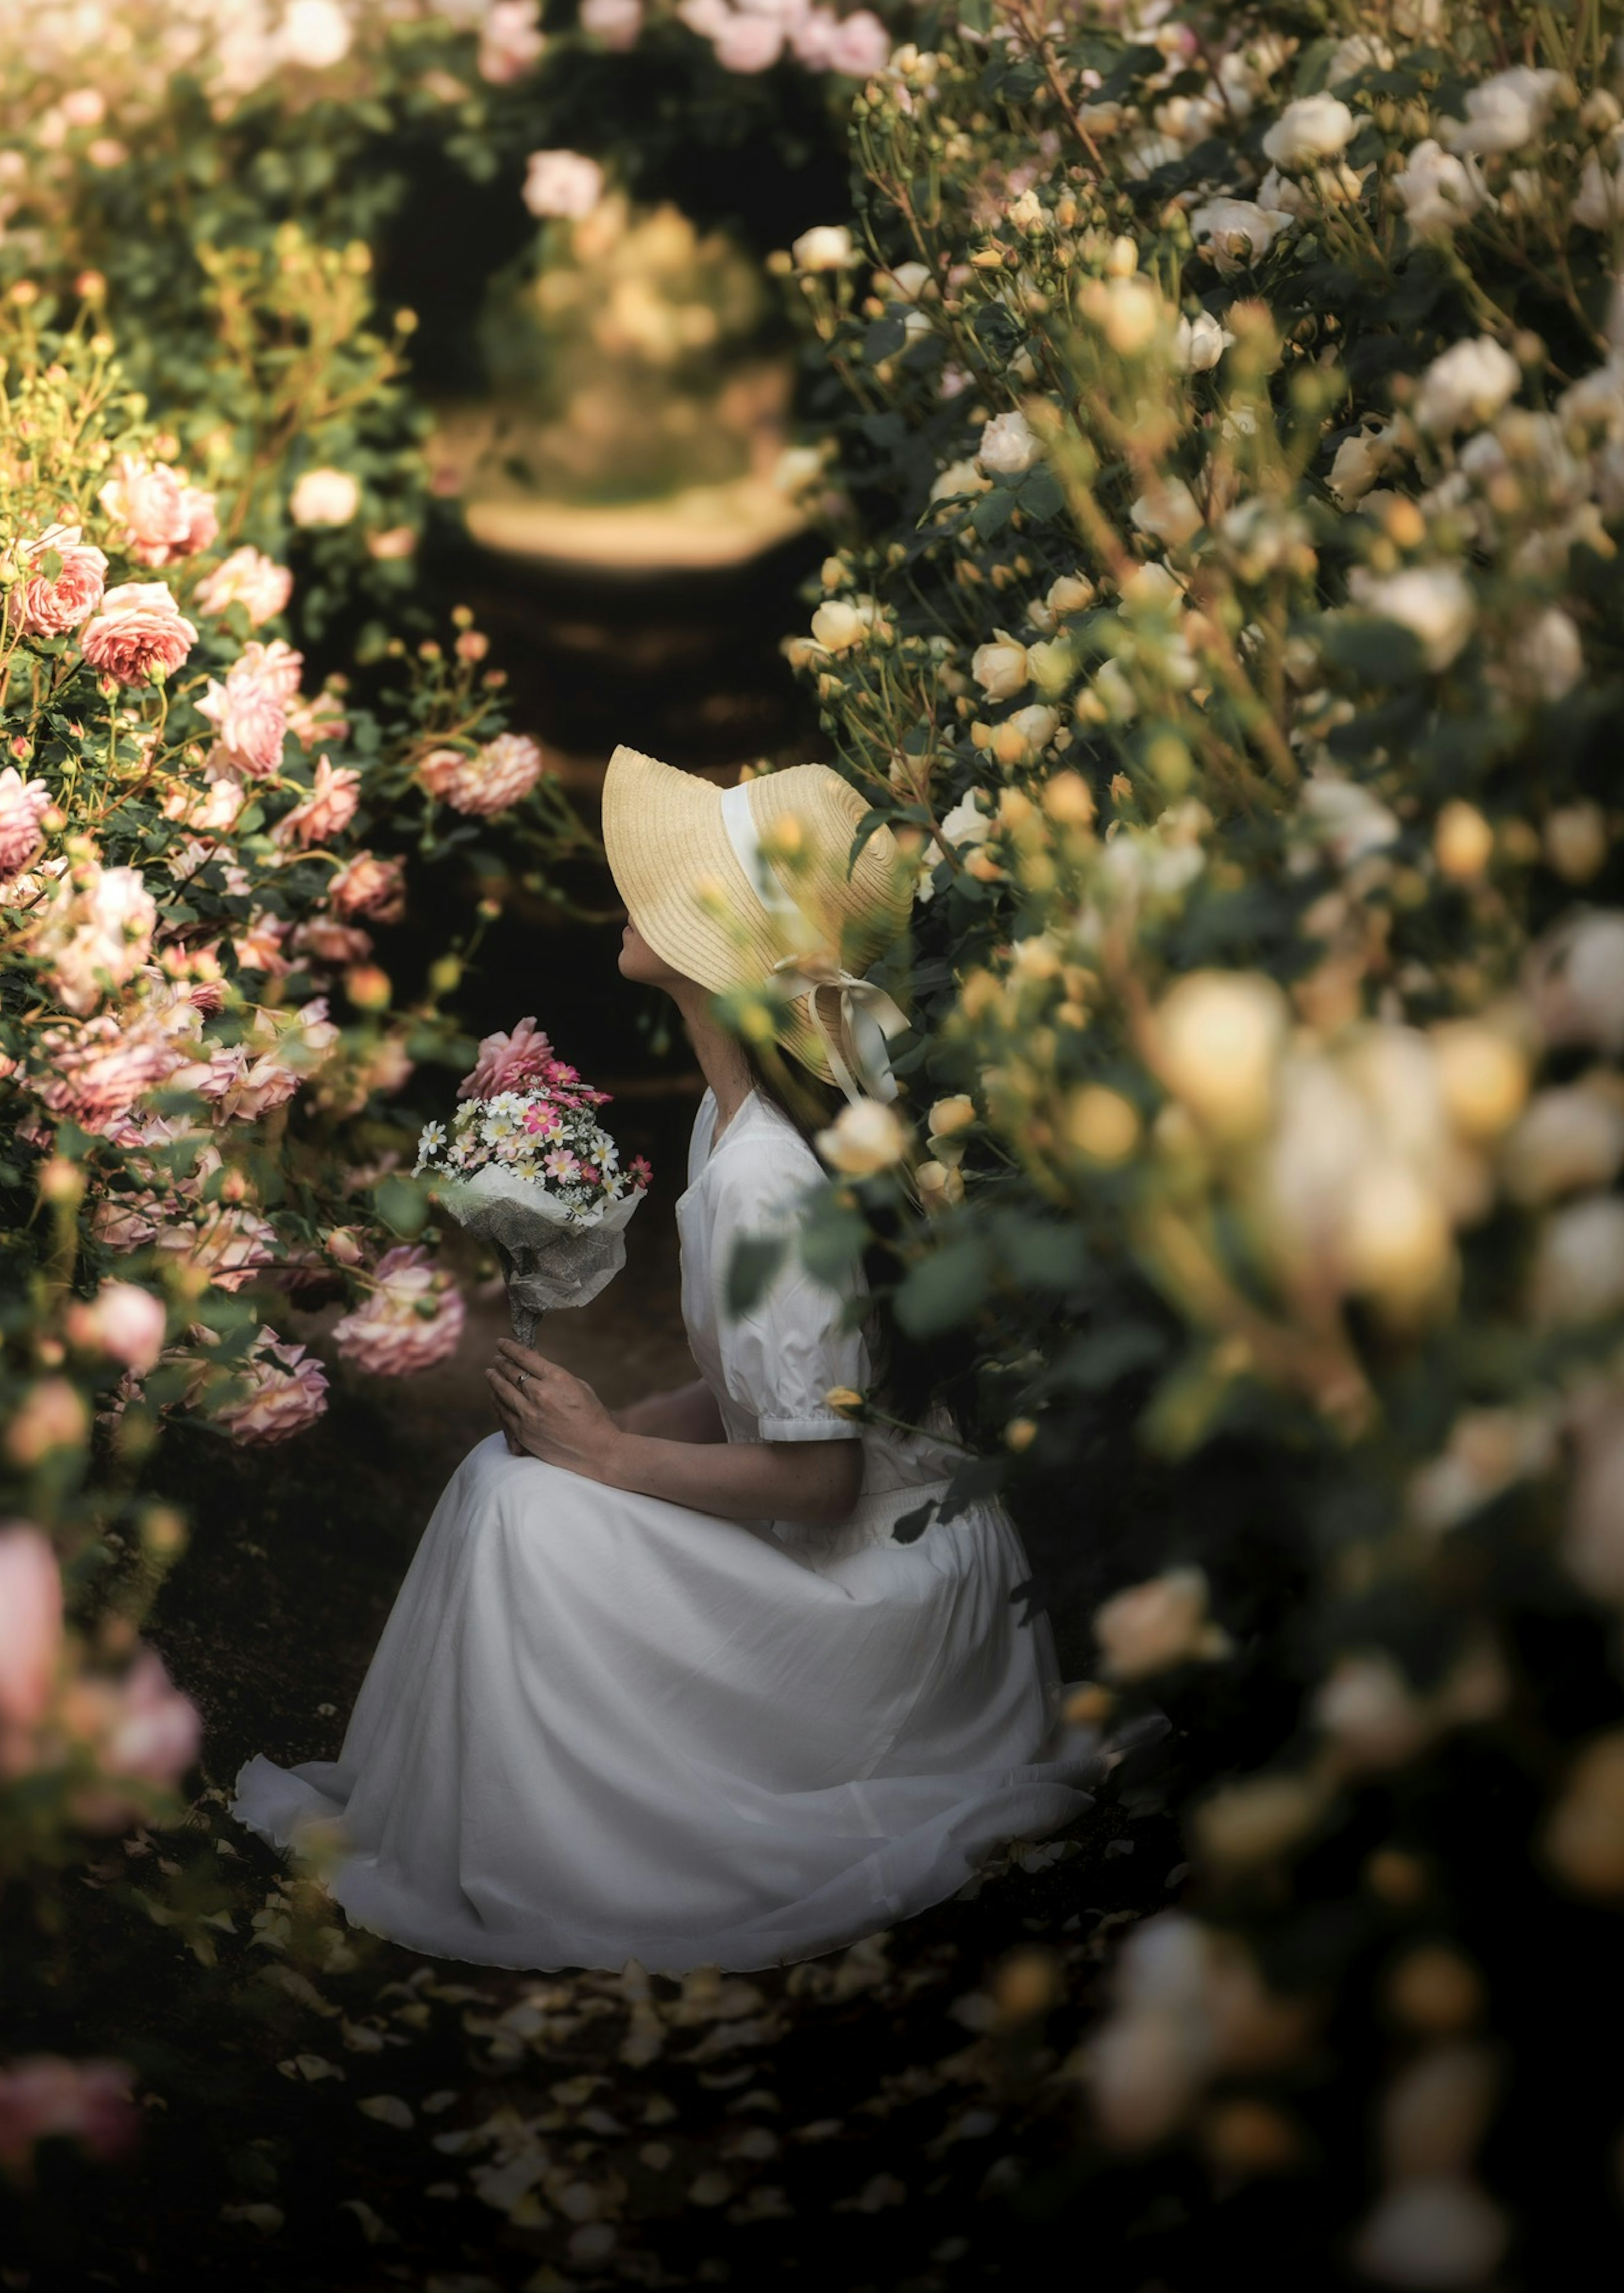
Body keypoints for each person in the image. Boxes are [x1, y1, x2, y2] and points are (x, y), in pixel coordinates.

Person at [231, 747, 1094, 1971]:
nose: (632, 886)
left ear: (717, 952)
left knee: (531, 1512)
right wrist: (619, 1424)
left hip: (892, 1592)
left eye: (675, 880)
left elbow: (822, 1479)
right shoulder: (735, 1113)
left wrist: (612, 1454)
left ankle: (575, 1852)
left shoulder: (766, 1176)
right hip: (882, 1540)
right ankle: (479, 1822)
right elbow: (776, 1394)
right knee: (507, 1478)